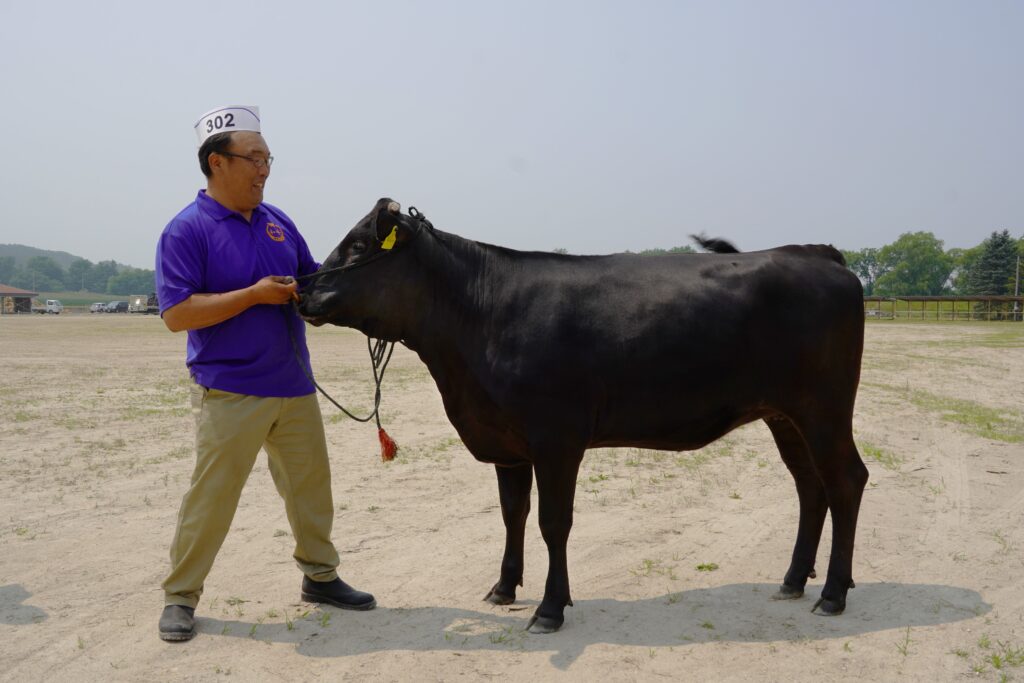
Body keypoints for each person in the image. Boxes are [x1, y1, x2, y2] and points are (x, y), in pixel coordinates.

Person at [155, 105, 374, 642]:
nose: (264, 169)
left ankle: (320, 578)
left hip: (293, 386)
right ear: (216, 162)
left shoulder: (278, 222)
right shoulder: (186, 231)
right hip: (230, 391)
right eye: (253, 158)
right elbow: (176, 314)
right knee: (212, 498)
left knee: (310, 492)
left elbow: (314, 282)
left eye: (267, 157)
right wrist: (254, 296)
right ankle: (181, 597)